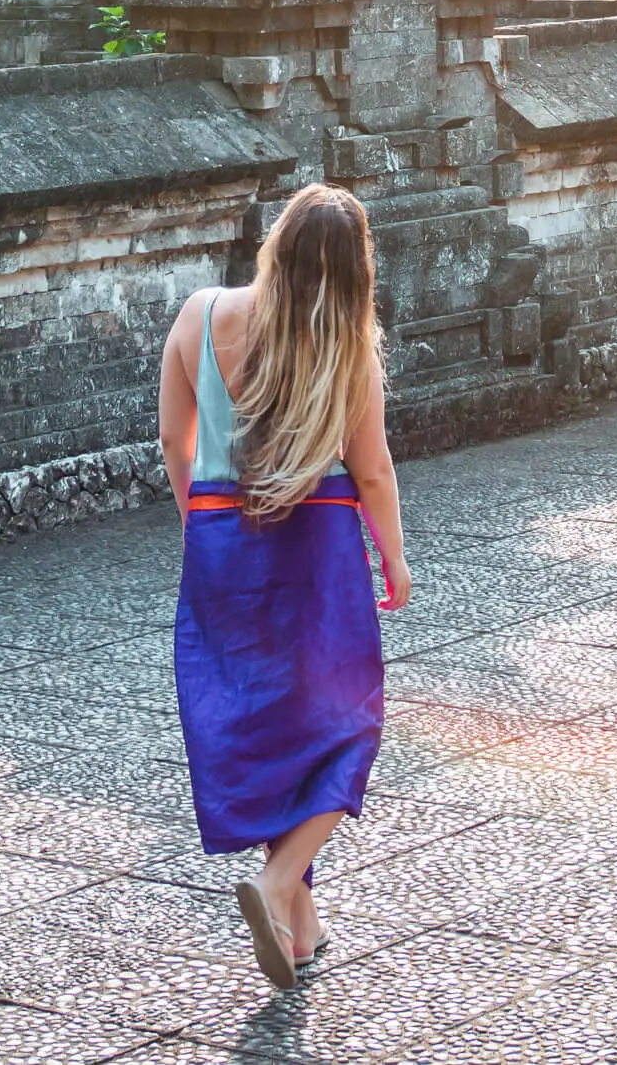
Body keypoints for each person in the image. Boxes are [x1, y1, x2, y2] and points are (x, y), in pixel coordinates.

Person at [159, 182, 411, 990]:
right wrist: (395, 558)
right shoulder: (347, 350)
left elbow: (175, 435)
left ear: (277, 243)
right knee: (345, 729)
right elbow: (369, 469)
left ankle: (300, 927)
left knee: (270, 728)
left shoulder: (201, 314)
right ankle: (276, 884)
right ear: (354, 271)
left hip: (221, 545)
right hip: (317, 554)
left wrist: (203, 522)